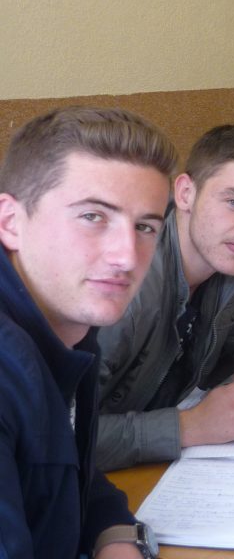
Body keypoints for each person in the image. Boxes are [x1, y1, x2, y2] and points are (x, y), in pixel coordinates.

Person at [0, 107, 176, 558]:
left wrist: (115, 533)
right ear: (10, 222)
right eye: (93, 216)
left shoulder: (71, 329)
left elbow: (67, 471)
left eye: (145, 227)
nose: (127, 257)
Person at [96, 125, 234, 472]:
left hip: (152, 469)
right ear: (186, 193)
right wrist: (190, 426)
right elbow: (50, 435)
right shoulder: (122, 285)